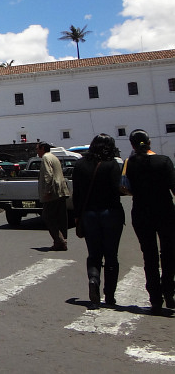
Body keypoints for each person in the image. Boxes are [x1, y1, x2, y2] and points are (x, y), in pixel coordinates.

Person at [125, 129, 175, 314]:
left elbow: (125, 187)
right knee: (168, 253)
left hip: (141, 213)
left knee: (149, 256)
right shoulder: (164, 161)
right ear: (149, 142)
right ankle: (169, 291)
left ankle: (155, 298)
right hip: (165, 212)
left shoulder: (129, 164)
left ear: (132, 145)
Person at [71, 134, 124, 306]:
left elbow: (77, 195)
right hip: (110, 213)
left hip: (89, 214)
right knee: (111, 255)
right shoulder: (112, 165)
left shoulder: (79, 165)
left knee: (94, 254)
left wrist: (77, 216)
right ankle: (109, 295)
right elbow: (118, 189)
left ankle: (94, 280)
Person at [37, 141, 70, 251]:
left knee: (48, 217)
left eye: (38, 149)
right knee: (60, 217)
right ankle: (61, 240)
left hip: (53, 192)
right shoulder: (54, 157)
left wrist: (47, 191)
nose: (37, 151)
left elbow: (48, 174)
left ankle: (60, 240)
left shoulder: (46, 158)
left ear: (43, 149)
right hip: (61, 190)